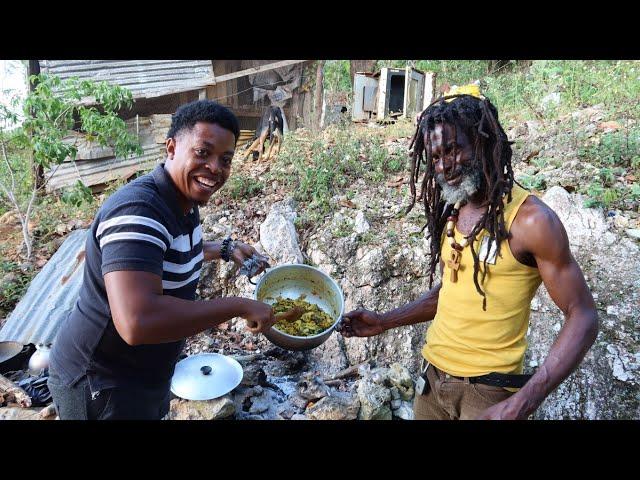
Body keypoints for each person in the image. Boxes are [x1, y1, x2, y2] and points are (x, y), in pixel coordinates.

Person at [337, 88, 598, 420]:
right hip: (430, 384)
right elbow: (451, 293)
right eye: (434, 157)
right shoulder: (455, 209)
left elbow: (584, 316)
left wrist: (523, 401)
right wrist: (385, 321)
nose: (444, 166)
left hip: (488, 395)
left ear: (484, 142)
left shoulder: (532, 221)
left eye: (453, 149)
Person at [48, 100, 275, 420]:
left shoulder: (183, 200)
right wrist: (240, 306)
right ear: (171, 148)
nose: (215, 167)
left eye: (225, 159)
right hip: (101, 381)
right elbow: (137, 322)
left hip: (146, 374)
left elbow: (163, 253)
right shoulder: (138, 210)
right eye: (202, 152)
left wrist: (224, 249)